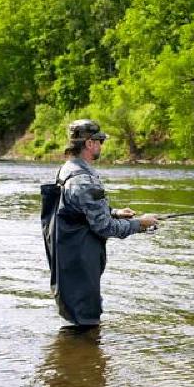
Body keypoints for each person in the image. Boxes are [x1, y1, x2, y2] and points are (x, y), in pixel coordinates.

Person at [48, 119, 158, 326]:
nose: (101, 146)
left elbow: (76, 209)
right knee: (87, 324)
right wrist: (141, 224)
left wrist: (114, 212)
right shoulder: (83, 180)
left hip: (69, 259)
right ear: (89, 144)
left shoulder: (66, 169)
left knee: (75, 322)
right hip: (80, 262)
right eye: (100, 141)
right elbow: (104, 227)